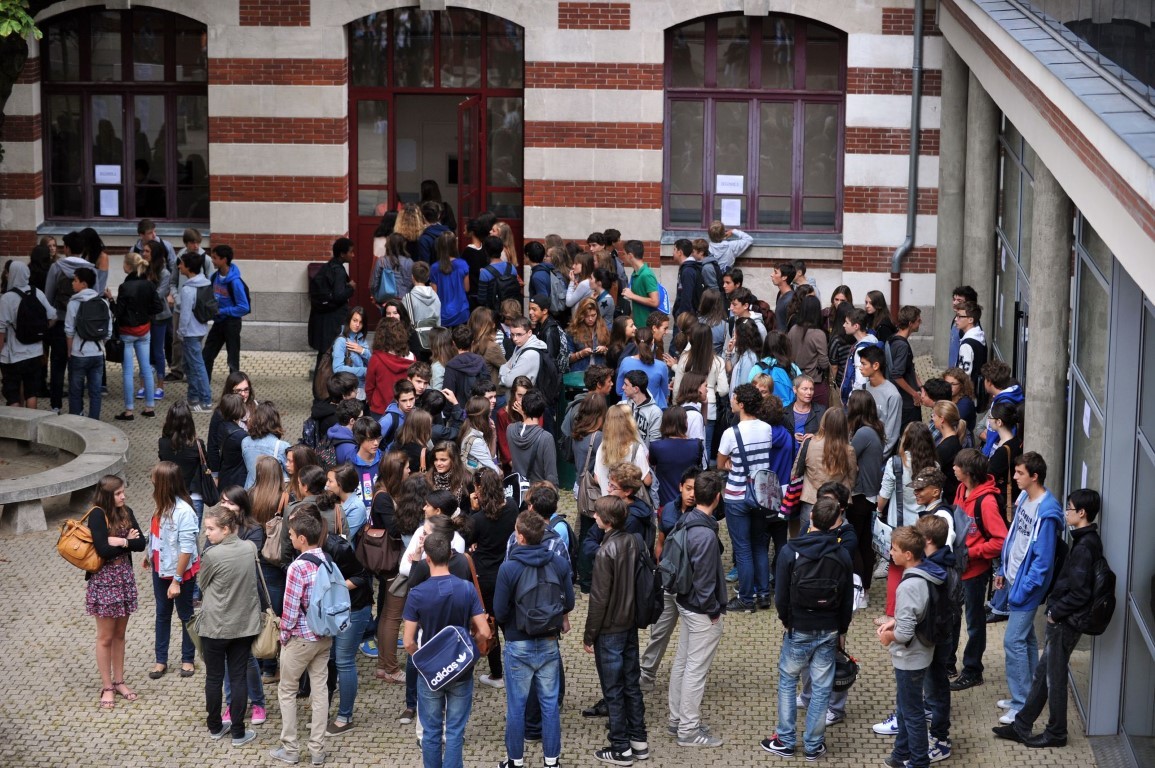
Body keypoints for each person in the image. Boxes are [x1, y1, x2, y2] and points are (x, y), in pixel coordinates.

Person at [994, 488, 1103, 749]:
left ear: (1081, 513)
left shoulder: (1085, 547)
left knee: (1054, 680)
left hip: (1065, 623)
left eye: (1069, 508)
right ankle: (1022, 725)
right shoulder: (1084, 541)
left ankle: (1056, 733)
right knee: (1043, 674)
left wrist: (1055, 612)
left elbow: (1079, 593)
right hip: (1064, 621)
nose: (1065, 512)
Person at [762, 497, 853, 761]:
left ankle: (786, 740)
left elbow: (780, 595)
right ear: (837, 521)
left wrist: (787, 619)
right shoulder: (842, 554)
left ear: (810, 518)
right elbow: (846, 598)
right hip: (829, 629)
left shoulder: (790, 551)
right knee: (823, 687)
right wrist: (841, 629)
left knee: (788, 682)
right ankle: (813, 745)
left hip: (799, 626)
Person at [402, 528, 491, 768]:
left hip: (431, 673)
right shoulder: (466, 588)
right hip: (460, 669)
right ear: (451, 554)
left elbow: (408, 640)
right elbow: (484, 631)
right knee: (454, 731)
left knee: (430, 733)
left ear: (427, 558)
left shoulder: (417, 594)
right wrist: (471, 651)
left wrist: (423, 660)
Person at [493, 511, 575, 768]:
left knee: (516, 707)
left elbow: (500, 611)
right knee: (549, 706)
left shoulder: (509, 568)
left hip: (518, 643)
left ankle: (514, 762)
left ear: (520, 536)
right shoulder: (559, 564)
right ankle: (552, 762)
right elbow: (569, 602)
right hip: (549, 641)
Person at [994, 452, 1065, 725]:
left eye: (1020, 473)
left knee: (1012, 641)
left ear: (1034, 476)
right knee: (1026, 640)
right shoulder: (1025, 497)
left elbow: (1043, 562)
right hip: (1015, 579)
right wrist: (1003, 569)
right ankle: (1030, 695)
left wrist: (1024, 590)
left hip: (1026, 587)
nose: (1014, 477)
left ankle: (1022, 705)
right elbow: (1015, 537)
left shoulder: (1047, 512)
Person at [584, 496, 649, 766]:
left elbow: (599, 600)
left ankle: (620, 747)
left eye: (598, 515)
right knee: (631, 685)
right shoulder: (635, 541)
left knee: (613, 690)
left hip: (610, 629)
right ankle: (639, 741)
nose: (595, 518)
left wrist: (589, 635)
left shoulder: (604, 552)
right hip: (630, 624)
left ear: (607, 521)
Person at [666, 470, 728, 748]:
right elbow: (705, 582)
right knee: (695, 670)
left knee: (683, 663)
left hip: (684, 602)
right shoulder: (705, 534)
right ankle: (688, 731)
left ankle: (677, 719)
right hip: (701, 610)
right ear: (717, 497)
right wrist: (714, 610)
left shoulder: (686, 520)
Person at [270, 507, 335, 766]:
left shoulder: (298, 567)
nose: (290, 537)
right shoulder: (328, 560)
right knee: (320, 692)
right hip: (324, 637)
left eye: (292, 534)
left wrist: (283, 636)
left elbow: (290, 607)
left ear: (302, 539)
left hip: (300, 638)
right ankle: (317, 750)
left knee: (286, 690)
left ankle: (290, 748)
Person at [878, 526, 943, 768]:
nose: (890, 552)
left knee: (912, 712)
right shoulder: (926, 572)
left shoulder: (908, 586)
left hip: (910, 657)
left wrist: (888, 637)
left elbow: (905, 633)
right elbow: (918, 613)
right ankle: (900, 753)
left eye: (894, 549)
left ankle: (918, 761)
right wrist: (897, 620)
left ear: (908, 555)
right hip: (923, 651)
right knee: (906, 707)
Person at [198, 502, 261, 746]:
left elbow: (202, 584)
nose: (207, 533)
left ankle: (214, 727)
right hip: (244, 625)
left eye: (211, 529)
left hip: (215, 626)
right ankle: (237, 732)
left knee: (214, 678)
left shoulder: (212, 555)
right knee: (238, 677)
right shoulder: (249, 548)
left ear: (226, 529)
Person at [948, 449, 1008, 692]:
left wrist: (971, 553)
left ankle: (973, 670)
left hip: (974, 572)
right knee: (952, 617)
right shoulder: (962, 489)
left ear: (969, 472)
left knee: (974, 622)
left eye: (957, 465)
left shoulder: (988, 501)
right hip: (957, 569)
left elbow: (1001, 540)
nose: (953, 468)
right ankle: (948, 663)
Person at [86, 475, 147, 709]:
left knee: (120, 634)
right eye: (119, 493)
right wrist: (125, 540)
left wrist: (120, 542)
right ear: (108, 495)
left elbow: (141, 544)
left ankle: (119, 681)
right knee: (105, 637)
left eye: (123, 491)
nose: (124, 496)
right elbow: (101, 550)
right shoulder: (97, 515)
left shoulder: (126, 511)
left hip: (124, 579)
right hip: (104, 581)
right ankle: (107, 686)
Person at [716, 383, 777, 612]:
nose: (731, 401)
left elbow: (721, 464)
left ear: (741, 404)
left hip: (737, 495)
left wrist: (732, 464)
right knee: (760, 545)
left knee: (742, 549)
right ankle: (763, 595)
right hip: (760, 496)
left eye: (734, 398)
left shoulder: (731, 433)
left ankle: (746, 599)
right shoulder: (766, 428)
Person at [147, 461, 200, 680]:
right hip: (160, 569)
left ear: (164, 484)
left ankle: (188, 658)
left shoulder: (184, 512)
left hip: (180, 572)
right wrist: (149, 555)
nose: (151, 481)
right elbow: (157, 536)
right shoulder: (160, 505)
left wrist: (177, 580)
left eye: (154, 479)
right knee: (162, 614)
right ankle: (161, 660)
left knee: (186, 614)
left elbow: (187, 549)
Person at [467, 467, 520, 689]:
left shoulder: (478, 519)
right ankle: (517, 667)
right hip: (508, 572)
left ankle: (497, 673)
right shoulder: (513, 508)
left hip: (485, 576)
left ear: (479, 489)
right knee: (508, 621)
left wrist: (472, 510)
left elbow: (467, 537)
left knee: (489, 622)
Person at [792, 407, 857, 535]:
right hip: (837, 505)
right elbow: (852, 479)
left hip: (810, 501)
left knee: (808, 540)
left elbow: (795, 471)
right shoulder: (848, 450)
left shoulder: (809, 443)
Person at [0, 260, 56, 409]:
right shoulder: (37, 292)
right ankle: (31, 426)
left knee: (12, 394)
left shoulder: (6, 298)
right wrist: (40, 330)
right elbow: (53, 316)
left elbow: (1, 330)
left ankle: (14, 430)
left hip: (13, 355)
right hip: (34, 352)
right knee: (31, 392)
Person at [847, 390, 885, 593]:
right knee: (864, 542)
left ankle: (859, 588)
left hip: (860, 495)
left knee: (856, 543)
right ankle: (864, 587)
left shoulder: (863, 433)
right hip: (869, 494)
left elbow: (847, 456)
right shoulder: (874, 429)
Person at [65, 267, 112, 420]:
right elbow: (108, 332)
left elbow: (69, 331)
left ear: (83, 284)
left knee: (76, 392)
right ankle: (94, 423)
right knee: (95, 392)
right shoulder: (103, 303)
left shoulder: (73, 303)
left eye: (75, 280)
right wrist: (100, 343)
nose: (72, 283)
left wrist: (69, 351)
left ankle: (77, 422)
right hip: (98, 354)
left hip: (79, 354)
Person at [203, 244, 251, 383]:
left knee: (232, 361)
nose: (212, 260)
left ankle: (235, 394)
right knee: (206, 355)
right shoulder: (214, 277)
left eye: (215, 258)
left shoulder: (235, 282)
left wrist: (222, 311)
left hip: (232, 323)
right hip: (219, 322)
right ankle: (205, 390)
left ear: (224, 260)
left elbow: (243, 307)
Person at [158, 399, 211, 520]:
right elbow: (207, 463)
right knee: (191, 535)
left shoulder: (162, 443)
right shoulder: (198, 445)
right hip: (193, 496)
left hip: (170, 496)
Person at [175, 251, 214, 411]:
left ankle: (205, 401)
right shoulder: (205, 283)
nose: (179, 266)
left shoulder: (187, 289)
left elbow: (184, 315)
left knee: (197, 366)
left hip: (190, 332)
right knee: (190, 364)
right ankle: (193, 397)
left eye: (181, 264)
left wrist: (180, 332)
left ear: (189, 267)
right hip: (200, 329)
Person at [507, 389, 558, 486]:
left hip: (518, 492)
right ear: (542, 412)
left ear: (523, 409)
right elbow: (551, 475)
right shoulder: (546, 438)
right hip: (538, 494)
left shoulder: (510, 430)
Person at [857, 346, 901, 458]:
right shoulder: (862, 389)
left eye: (864, 364)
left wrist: (878, 457)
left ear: (876, 365)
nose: (860, 367)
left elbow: (891, 433)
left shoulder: (893, 395)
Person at [887, 306, 923, 430]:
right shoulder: (902, 345)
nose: (921, 322)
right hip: (907, 403)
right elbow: (896, 374)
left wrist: (921, 387)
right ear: (910, 323)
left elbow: (910, 368)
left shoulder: (893, 339)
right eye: (918, 320)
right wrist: (914, 394)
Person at [242, 401, 291, 488]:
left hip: (250, 491)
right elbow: (290, 470)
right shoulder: (282, 446)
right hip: (272, 493)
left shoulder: (245, 442)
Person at [838, 307, 880, 407]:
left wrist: (851, 400)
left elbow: (861, 380)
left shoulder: (861, 350)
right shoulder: (872, 340)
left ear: (856, 326)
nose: (844, 325)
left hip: (857, 403)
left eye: (847, 323)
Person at [430, 231, 470, 327]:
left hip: (442, 315)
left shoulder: (434, 267)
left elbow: (434, 294)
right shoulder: (462, 264)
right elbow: (467, 288)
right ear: (454, 245)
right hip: (461, 313)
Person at [619, 240, 659, 330]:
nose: (623, 257)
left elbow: (655, 301)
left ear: (630, 256)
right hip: (637, 326)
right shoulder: (635, 273)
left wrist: (632, 295)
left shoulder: (647, 274)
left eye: (624, 254)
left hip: (646, 327)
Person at [500, 317, 549, 390]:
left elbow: (509, 382)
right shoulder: (521, 345)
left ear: (529, 333)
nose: (515, 339)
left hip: (528, 397)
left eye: (519, 334)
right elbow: (507, 365)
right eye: (512, 334)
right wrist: (507, 370)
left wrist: (503, 373)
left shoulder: (529, 355)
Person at [932, 400, 965, 503]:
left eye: (934, 415)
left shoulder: (947, 446)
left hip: (947, 497)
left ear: (942, 419)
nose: (932, 418)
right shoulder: (950, 440)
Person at [567, 296, 609, 373]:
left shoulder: (604, 329)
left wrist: (604, 350)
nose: (590, 319)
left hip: (600, 372)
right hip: (580, 373)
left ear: (597, 314)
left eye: (593, 315)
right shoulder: (573, 331)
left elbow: (611, 354)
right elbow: (567, 359)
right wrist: (580, 354)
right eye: (587, 316)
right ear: (581, 315)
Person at [954, 301, 987, 395]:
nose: (956, 319)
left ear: (970, 320)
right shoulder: (979, 337)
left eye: (959, 316)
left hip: (968, 394)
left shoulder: (967, 345)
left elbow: (964, 375)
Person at [946, 286, 977, 369]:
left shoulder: (970, 326)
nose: (954, 303)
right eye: (954, 299)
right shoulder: (956, 319)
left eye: (959, 300)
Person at [770, 262, 796, 331]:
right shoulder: (780, 294)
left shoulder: (791, 299)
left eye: (775, 272)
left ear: (784, 277)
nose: (771, 275)